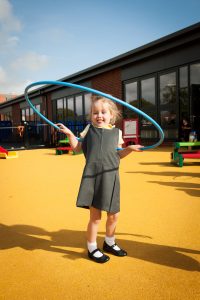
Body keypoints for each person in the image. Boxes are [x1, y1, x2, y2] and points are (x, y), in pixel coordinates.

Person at [57, 95, 143, 263]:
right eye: (95, 112)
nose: (99, 115)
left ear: (112, 115)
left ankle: (109, 242)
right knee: (95, 217)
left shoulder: (117, 133)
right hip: (93, 178)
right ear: (91, 115)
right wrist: (69, 134)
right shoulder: (89, 130)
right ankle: (92, 247)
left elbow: (118, 154)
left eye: (103, 112)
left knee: (114, 215)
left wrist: (130, 149)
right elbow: (76, 149)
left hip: (111, 177)